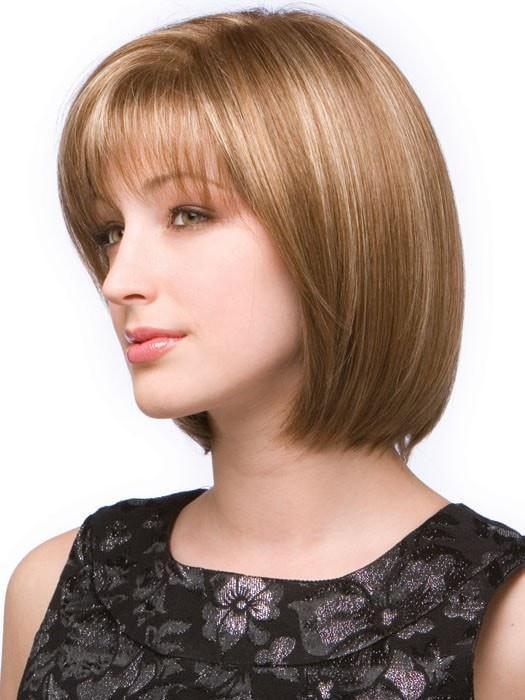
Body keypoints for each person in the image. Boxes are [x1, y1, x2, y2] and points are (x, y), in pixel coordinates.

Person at [2, 6, 524, 699]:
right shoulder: (56, 589)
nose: (117, 280)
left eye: (189, 215)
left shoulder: (507, 628)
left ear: (341, 225)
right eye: (109, 231)